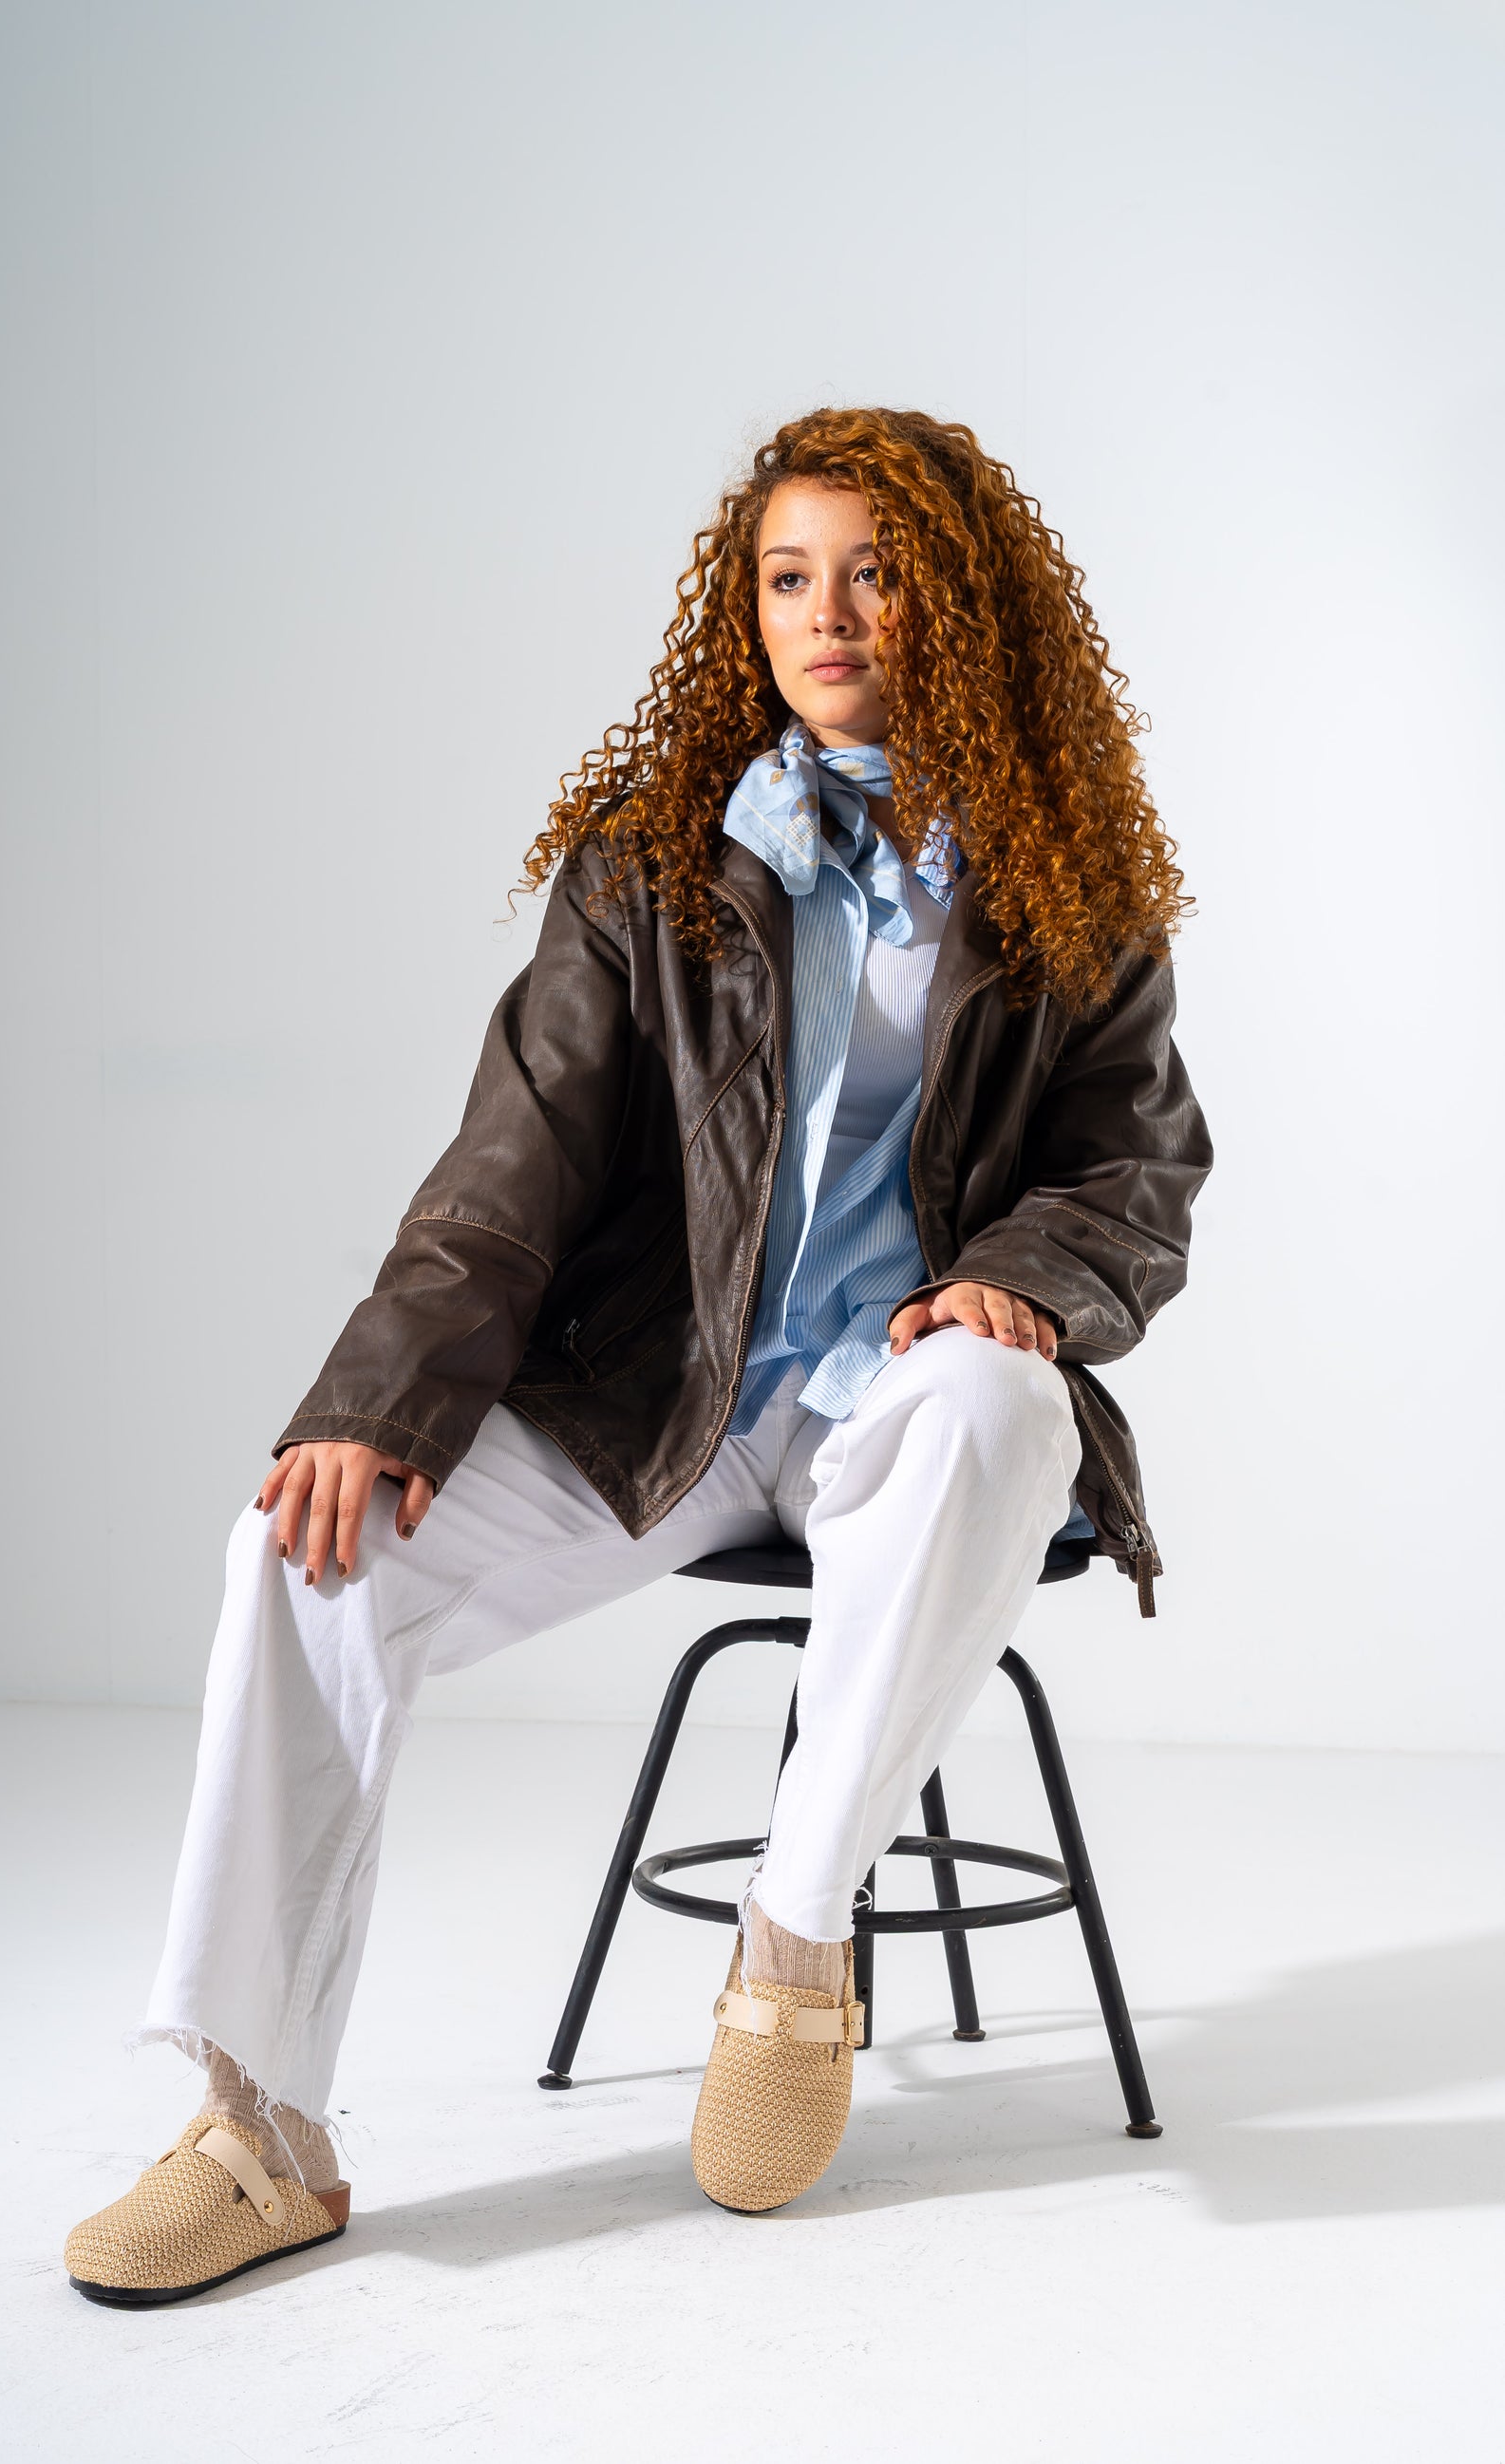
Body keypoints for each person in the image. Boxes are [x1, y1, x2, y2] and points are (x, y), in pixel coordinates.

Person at [64, 404, 1211, 2305]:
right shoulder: (655, 865)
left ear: (958, 600)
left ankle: (791, 1942)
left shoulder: (1064, 877)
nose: (824, 612)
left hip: (900, 1413)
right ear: (739, 609)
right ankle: (257, 2127)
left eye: (874, 571)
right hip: (659, 1404)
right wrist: (374, 1403)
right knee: (298, 1552)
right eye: (786, 575)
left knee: (999, 1398)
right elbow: (508, 1164)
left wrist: (1021, 1274)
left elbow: (1136, 1168)